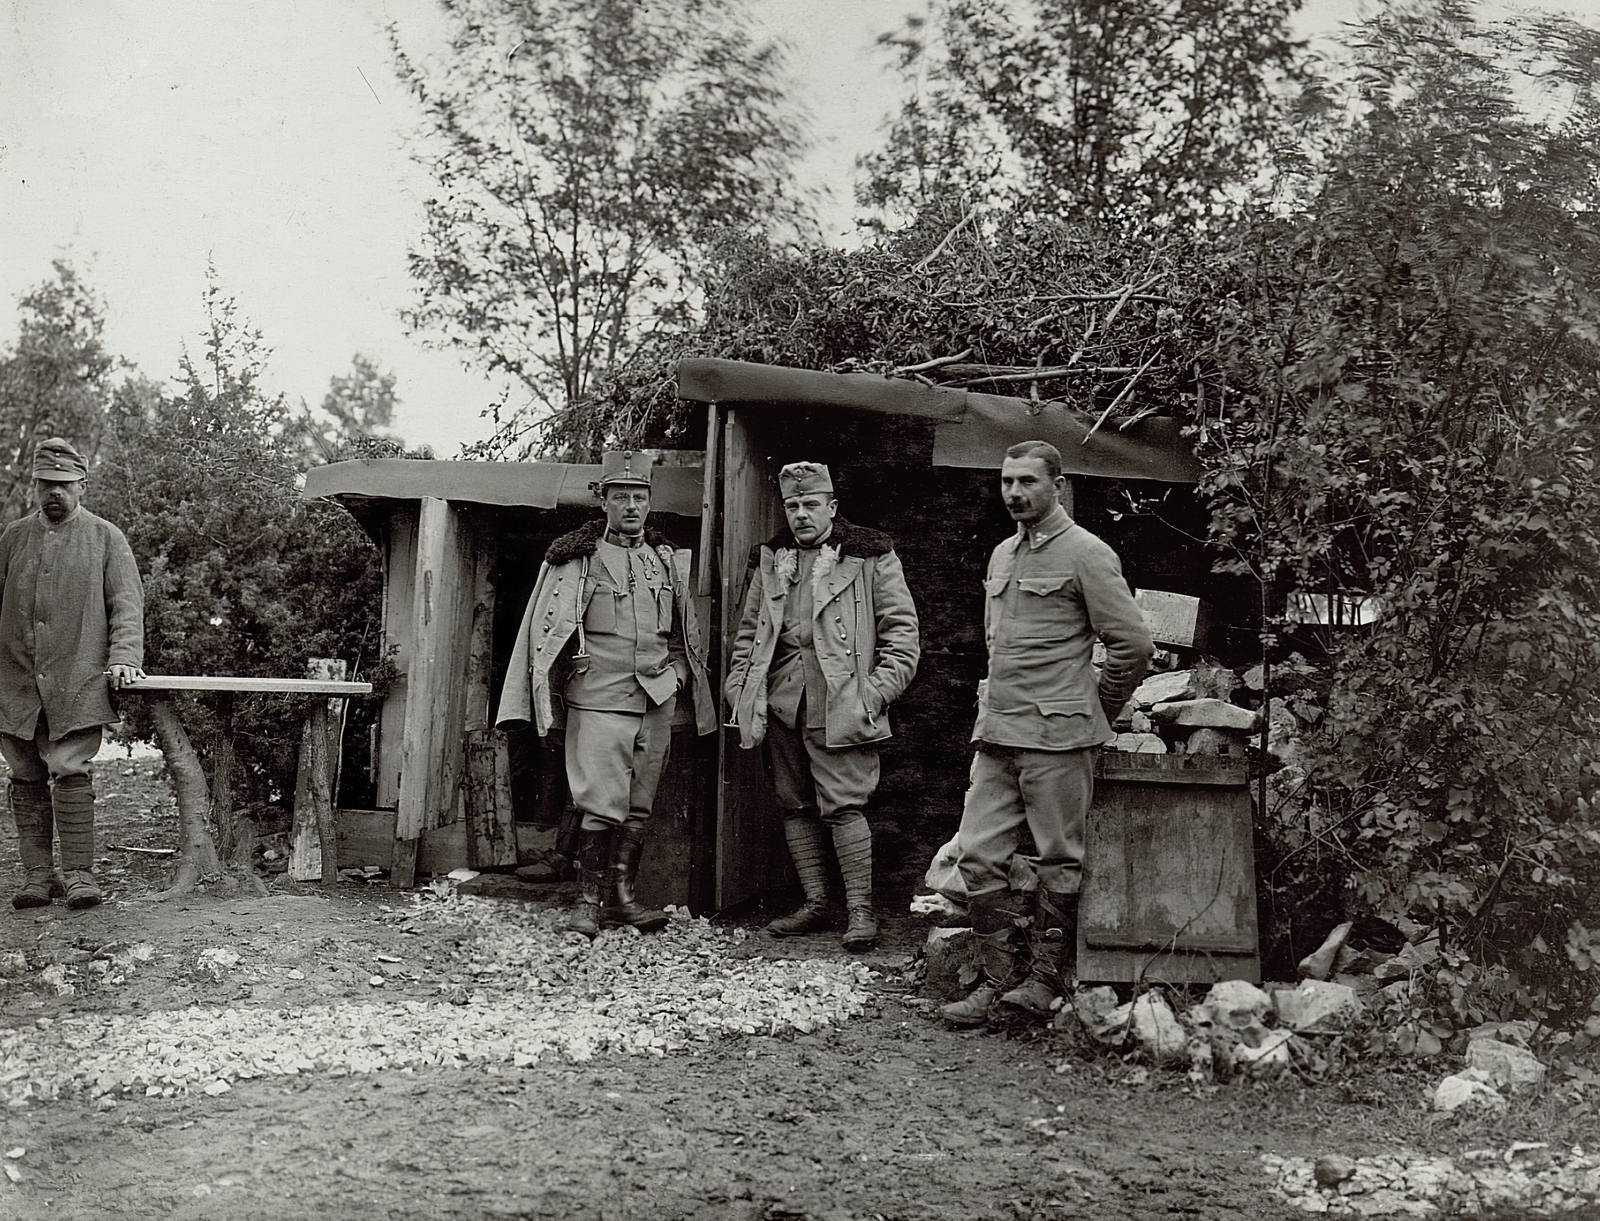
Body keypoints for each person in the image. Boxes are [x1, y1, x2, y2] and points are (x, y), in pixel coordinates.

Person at [939, 440, 1152, 1026]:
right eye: (1007, 481)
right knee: (978, 856)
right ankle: (998, 983)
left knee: (1061, 861)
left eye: (1027, 481)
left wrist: (1097, 709)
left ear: (1056, 485)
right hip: (1000, 732)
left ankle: (1043, 981)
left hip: (1059, 737)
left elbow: (1133, 646)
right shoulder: (1003, 555)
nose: (1014, 493)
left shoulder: (1087, 553)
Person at [497, 450, 715, 938]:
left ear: (649, 502)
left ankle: (621, 900)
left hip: (655, 700)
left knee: (639, 805)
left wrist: (678, 675)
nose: (632, 506)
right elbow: (543, 629)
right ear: (604, 502)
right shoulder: (576, 560)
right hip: (597, 697)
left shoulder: (666, 561)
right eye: (621, 497)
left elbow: (684, 635)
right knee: (599, 802)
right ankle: (587, 904)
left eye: (640, 497)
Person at [726, 461, 920, 950]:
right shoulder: (772, 559)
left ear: (832, 507)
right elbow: (749, 635)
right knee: (794, 804)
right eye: (793, 506)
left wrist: (872, 694)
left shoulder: (869, 557)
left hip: (841, 702)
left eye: (811, 504)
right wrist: (741, 690)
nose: (801, 514)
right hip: (784, 702)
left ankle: (860, 910)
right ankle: (816, 902)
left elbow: (903, 638)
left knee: (844, 806)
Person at [0, 438, 145, 910]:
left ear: (82, 485)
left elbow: (127, 607)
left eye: (64, 484)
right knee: (24, 774)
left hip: (77, 679)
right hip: (16, 683)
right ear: (34, 486)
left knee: (69, 768)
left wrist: (124, 657)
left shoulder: (107, 537)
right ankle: (38, 876)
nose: (55, 492)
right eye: (47, 484)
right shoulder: (13, 537)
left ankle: (80, 875)